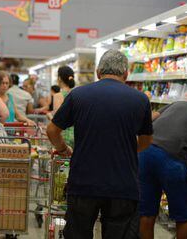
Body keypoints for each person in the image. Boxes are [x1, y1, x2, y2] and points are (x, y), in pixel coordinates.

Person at [46, 49, 153, 239]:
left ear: (97, 72)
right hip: (123, 185)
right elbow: (146, 141)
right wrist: (127, 151)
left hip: (83, 183)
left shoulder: (78, 95)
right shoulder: (140, 100)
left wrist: (63, 149)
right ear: (126, 74)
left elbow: (52, 130)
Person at [139, 101, 187, 239]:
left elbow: (151, 118)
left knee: (146, 213)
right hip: (174, 158)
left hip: (145, 152)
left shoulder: (178, 103)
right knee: (184, 217)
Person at [48, 66, 76, 146]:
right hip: (76, 134)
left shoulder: (58, 96)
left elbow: (57, 120)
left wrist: (49, 115)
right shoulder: (76, 94)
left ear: (59, 78)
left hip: (63, 134)